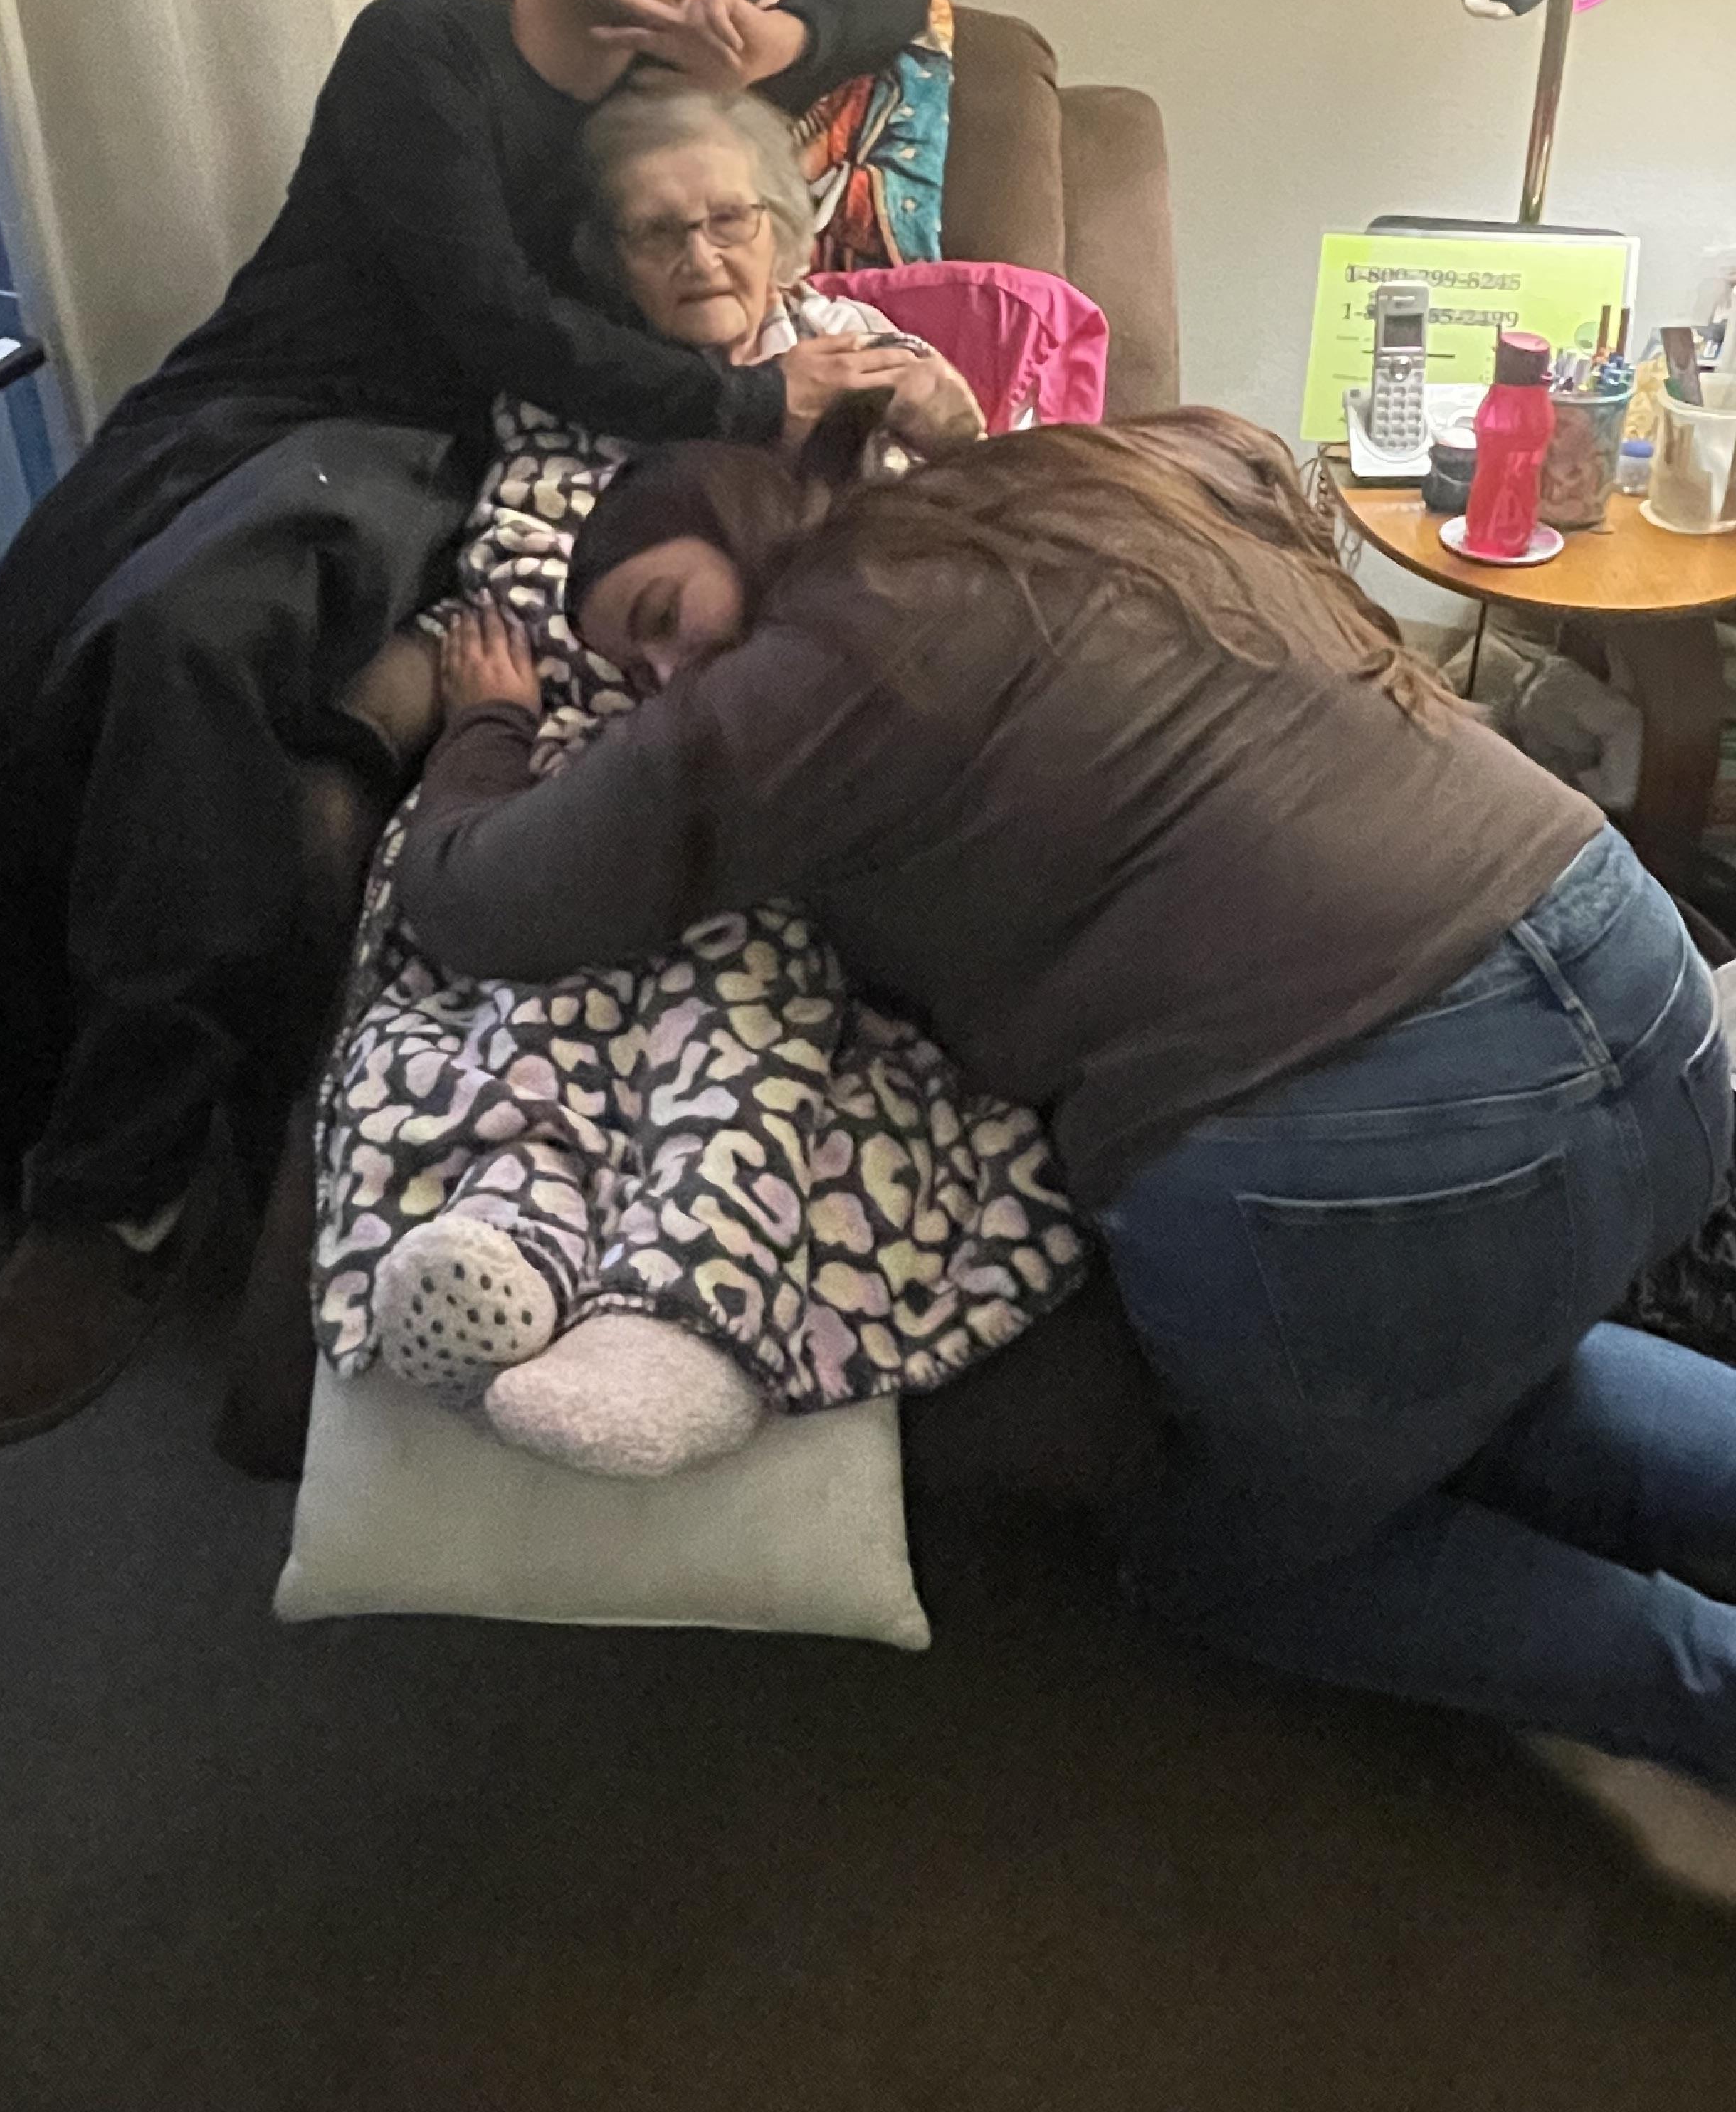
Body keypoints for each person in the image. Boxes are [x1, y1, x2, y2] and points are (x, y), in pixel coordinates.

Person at [392, 418, 1736, 1818]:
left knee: (1230, 1566)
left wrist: (486, 725)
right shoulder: (1063, 490)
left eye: (664, 617)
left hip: (1384, 1146)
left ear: (746, 520)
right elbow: (1250, 455)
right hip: (1649, 992)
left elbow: (480, 899)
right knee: (1493, 1382)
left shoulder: (798, 683)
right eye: (636, 673)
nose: (669, 678)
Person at [0, 0, 932, 1447]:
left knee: (187, 648)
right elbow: (491, 309)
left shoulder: (658, 113)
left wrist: (790, 28)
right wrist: (750, 399)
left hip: (400, 446)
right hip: (235, 398)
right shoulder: (424, 49)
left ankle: (117, 1192)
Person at [312, 87, 1070, 1479]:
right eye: (659, 233)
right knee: (535, 976)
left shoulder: (873, 362)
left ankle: (687, 1308)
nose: (703, 255)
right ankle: (508, 1240)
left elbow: (991, 552)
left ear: (784, 229)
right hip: (586, 733)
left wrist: (954, 431)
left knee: (747, 966)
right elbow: (523, 589)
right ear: (611, 260)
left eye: (729, 219)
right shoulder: (568, 386)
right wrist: (518, 726)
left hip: (806, 758)